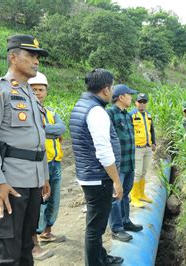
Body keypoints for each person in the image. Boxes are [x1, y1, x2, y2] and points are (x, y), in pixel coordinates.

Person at [0, 34, 51, 264]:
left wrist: (45, 177)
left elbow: (37, 140)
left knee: (26, 246)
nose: (36, 61)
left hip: (32, 181)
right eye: (30, 55)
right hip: (9, 183)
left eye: (38, 56)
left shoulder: (31, 94)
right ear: (13, 58)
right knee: (7, 253)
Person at [69, 68, 124, 266]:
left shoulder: (81, 105)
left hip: (88, 173)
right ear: (107, 89)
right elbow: (103, 151)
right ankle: (94, 262)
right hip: (98, 176)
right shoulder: (96, 112)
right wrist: (117, 181)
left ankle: (101, 256)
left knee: (96, 223)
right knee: (95, 227)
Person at [29, 71, 66, 260]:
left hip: (55, 162)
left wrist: (46, 130)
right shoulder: (28, 111)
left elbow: (61, 128)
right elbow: (39, 131)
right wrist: (49, 131)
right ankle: (34, 243)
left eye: (41, 89)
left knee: (54, 200)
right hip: (39, 164)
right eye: (34, 89)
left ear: (46, 91)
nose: (37, 92)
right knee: (39, 203)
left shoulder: (51, 112)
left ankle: (47, 232)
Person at [107, 84, 144, 242]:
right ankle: (116, 228)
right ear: (121, 97)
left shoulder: (128, 115)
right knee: (116, 196)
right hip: (118, 164)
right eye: (130, 95)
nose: (132, 98)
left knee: (126, 193)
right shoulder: (110, 114)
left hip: (129, 161)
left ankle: (125, 221)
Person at [129, 93, 156, 207]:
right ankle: (134, 197)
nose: (142, 104)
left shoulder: (148, 115)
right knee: (137, 173)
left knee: (144, 172)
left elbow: (151, 130)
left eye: (144, 102)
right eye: (140, 102)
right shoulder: (131, 115)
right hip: (137, 148)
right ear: (136, 103)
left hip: (147, 147)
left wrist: (154, 142)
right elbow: (128, 132)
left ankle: (141, 194)